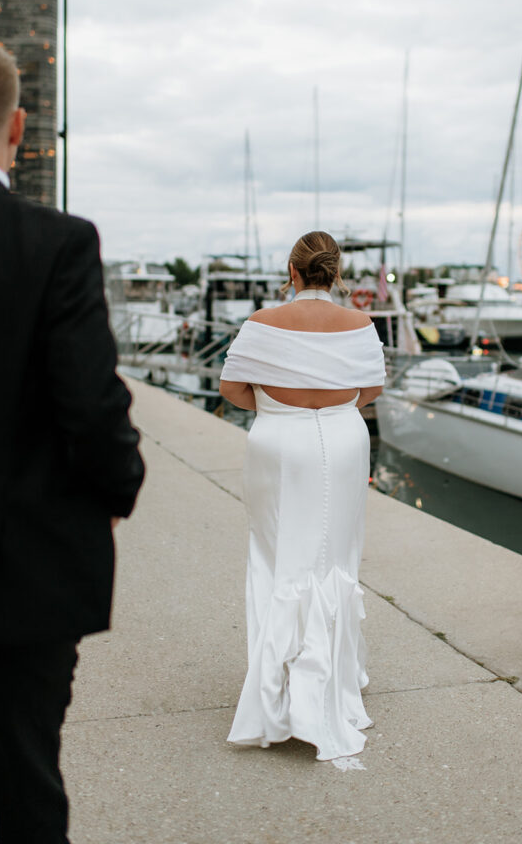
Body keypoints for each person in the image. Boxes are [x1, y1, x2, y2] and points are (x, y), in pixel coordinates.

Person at [0, 37, 145, 843]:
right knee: (28, 785)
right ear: (16, 130)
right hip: (27, 573)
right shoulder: (58, 244)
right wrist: (116, 490)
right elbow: (89, 403)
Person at [220, 231, 385, 760]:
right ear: (335, 274)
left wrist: (276, 408)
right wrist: (329, 409)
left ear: (292, 272)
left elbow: (231, 389)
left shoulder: (261, 323)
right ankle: (330, 676)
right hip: (342, 441)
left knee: (276, 557)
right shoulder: (361, 325)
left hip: (277, 442)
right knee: (334, 555)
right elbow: (371, 390)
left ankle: (279, 685)